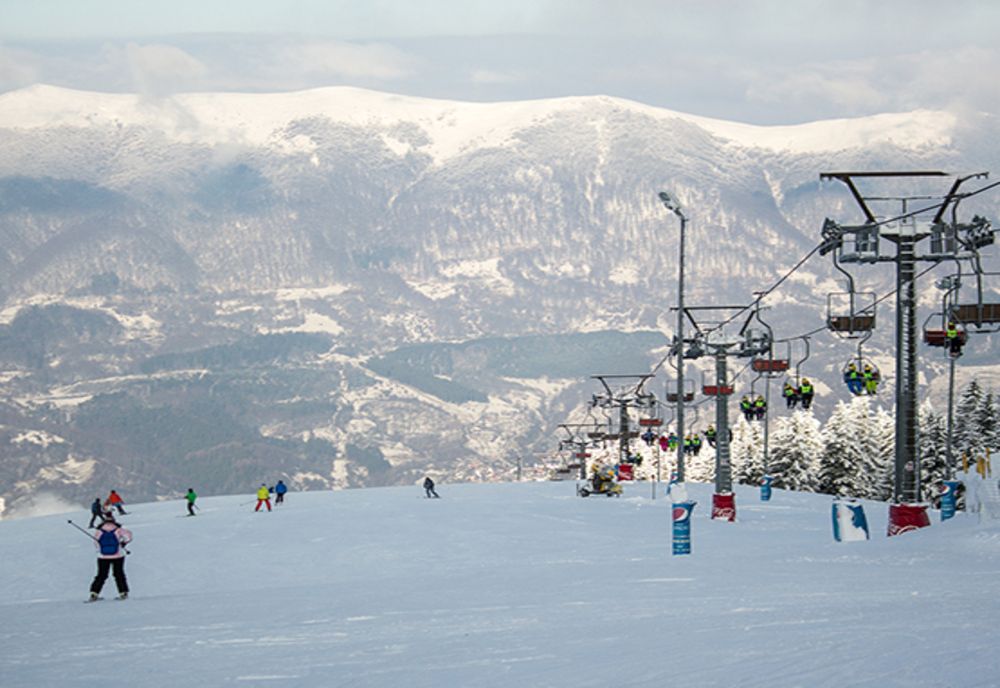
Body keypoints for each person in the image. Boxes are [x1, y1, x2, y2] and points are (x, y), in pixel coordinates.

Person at [88, 511, 132, 601]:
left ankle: (94, 593)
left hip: (102, 557)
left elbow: (96, 543)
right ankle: (123, 593)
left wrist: (100, 551)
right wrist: (123, 543)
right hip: (118, 555)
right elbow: (129, 536)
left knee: (101, 575)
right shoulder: (118, 529)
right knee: (119, 574)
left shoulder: (99, 531)